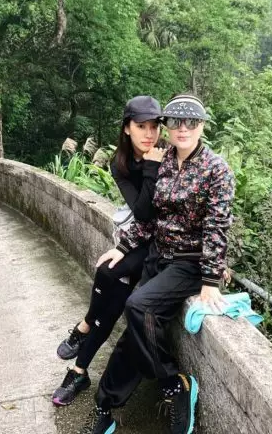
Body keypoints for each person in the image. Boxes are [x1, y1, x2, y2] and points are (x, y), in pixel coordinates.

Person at [80, 93, 235, 434]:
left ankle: (174, 384)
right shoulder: (164, 162)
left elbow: (217, 225)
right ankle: (105, 406)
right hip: (158, 256)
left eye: (191, 121)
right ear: (168, 126)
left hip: (189, 262)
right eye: (176, 121)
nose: (183, 128)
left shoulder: (216, 169)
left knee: (137, 307)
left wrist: (211, 279)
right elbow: (150, 218)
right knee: (132, 338)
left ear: (202, 126)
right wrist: (124, 247)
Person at [52, 95, 166, 407]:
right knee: (107, 274)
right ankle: (81, 362)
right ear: (127, 128)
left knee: (113, 285)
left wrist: (152, 167)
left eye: (154, 126)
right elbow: (141, 212)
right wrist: (124, 246)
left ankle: (82, 343)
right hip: (143, 237)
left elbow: (149, 214)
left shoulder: (166, 157)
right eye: (141, 126)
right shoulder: (121, 163)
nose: (149, 134)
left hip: (163, 243)